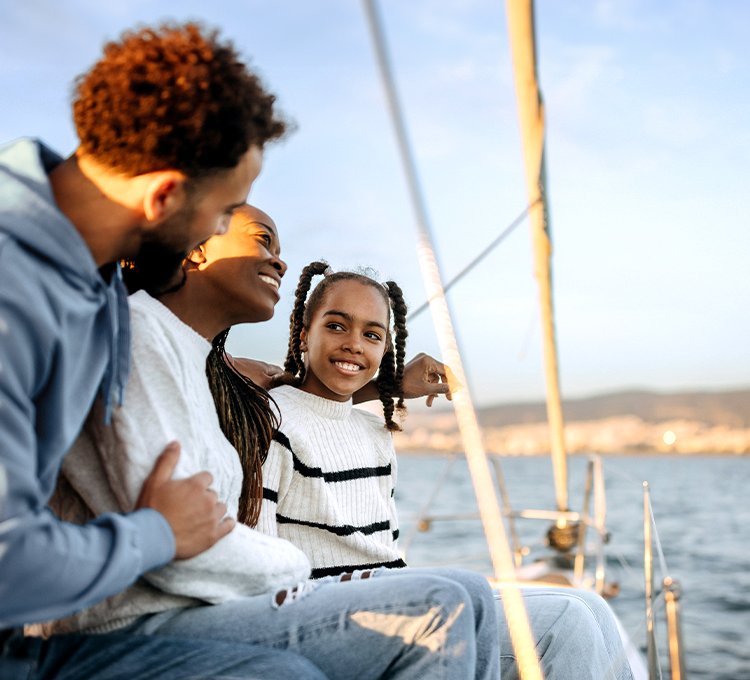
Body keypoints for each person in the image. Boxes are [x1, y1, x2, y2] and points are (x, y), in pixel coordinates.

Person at [0, 24, 327, 679]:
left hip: (8, 634)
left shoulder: (90, 284)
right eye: (224, 210)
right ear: (164, 195)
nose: (217, 229)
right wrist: (157, 533)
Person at [37, 204, 498, 680]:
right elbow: (181, 546)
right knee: (437, 607)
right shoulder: (141, 337)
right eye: (262, 239)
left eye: (280, 249)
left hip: (207, 599)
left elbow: (311, 398)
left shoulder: (207, 366)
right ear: (197, 247)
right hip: (140, 620)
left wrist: (388, 384)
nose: (279, 261)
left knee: (474, 594)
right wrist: (308, 577)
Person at [258, 261, 636, 680]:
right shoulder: (274, 423)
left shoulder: (373, 430)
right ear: (302, 334)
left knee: (592, 606)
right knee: (567, 623)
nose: (354, 344)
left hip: (396, 595)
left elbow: (383, 545)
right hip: (339, 614)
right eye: (335, 326)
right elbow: (260, 562)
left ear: (385, 350)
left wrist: (392, 385)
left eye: (371, 334)